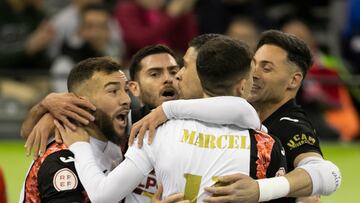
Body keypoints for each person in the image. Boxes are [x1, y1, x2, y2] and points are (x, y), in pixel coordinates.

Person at [55, 37, 288, 202]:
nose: (175, 76)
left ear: (202, 75)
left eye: (182, 66)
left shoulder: (155, 131)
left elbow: (103, 196)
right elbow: (244, 112)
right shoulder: (264, 142)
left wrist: (79, 146)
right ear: (243, 85)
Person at [131, 30, 342, 202]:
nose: (254, 73)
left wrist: (259, 189)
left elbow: (327, 174)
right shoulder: (240, 113)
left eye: (266, 68)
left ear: (294, 81)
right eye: (254, 64)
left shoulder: (289, 125)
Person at [19, 57, 130, 202]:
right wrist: (45, 105)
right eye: (113, 91)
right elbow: (25, 132)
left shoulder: (120, 144)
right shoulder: (61, 161)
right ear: (81, 103)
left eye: (126, 90)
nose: (126, 99)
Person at [51, 3, 123, 92]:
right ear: (80, 30)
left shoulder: (113, 56)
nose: (96, 33)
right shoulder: (65, 63)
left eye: (102, 26)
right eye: (89, 26)